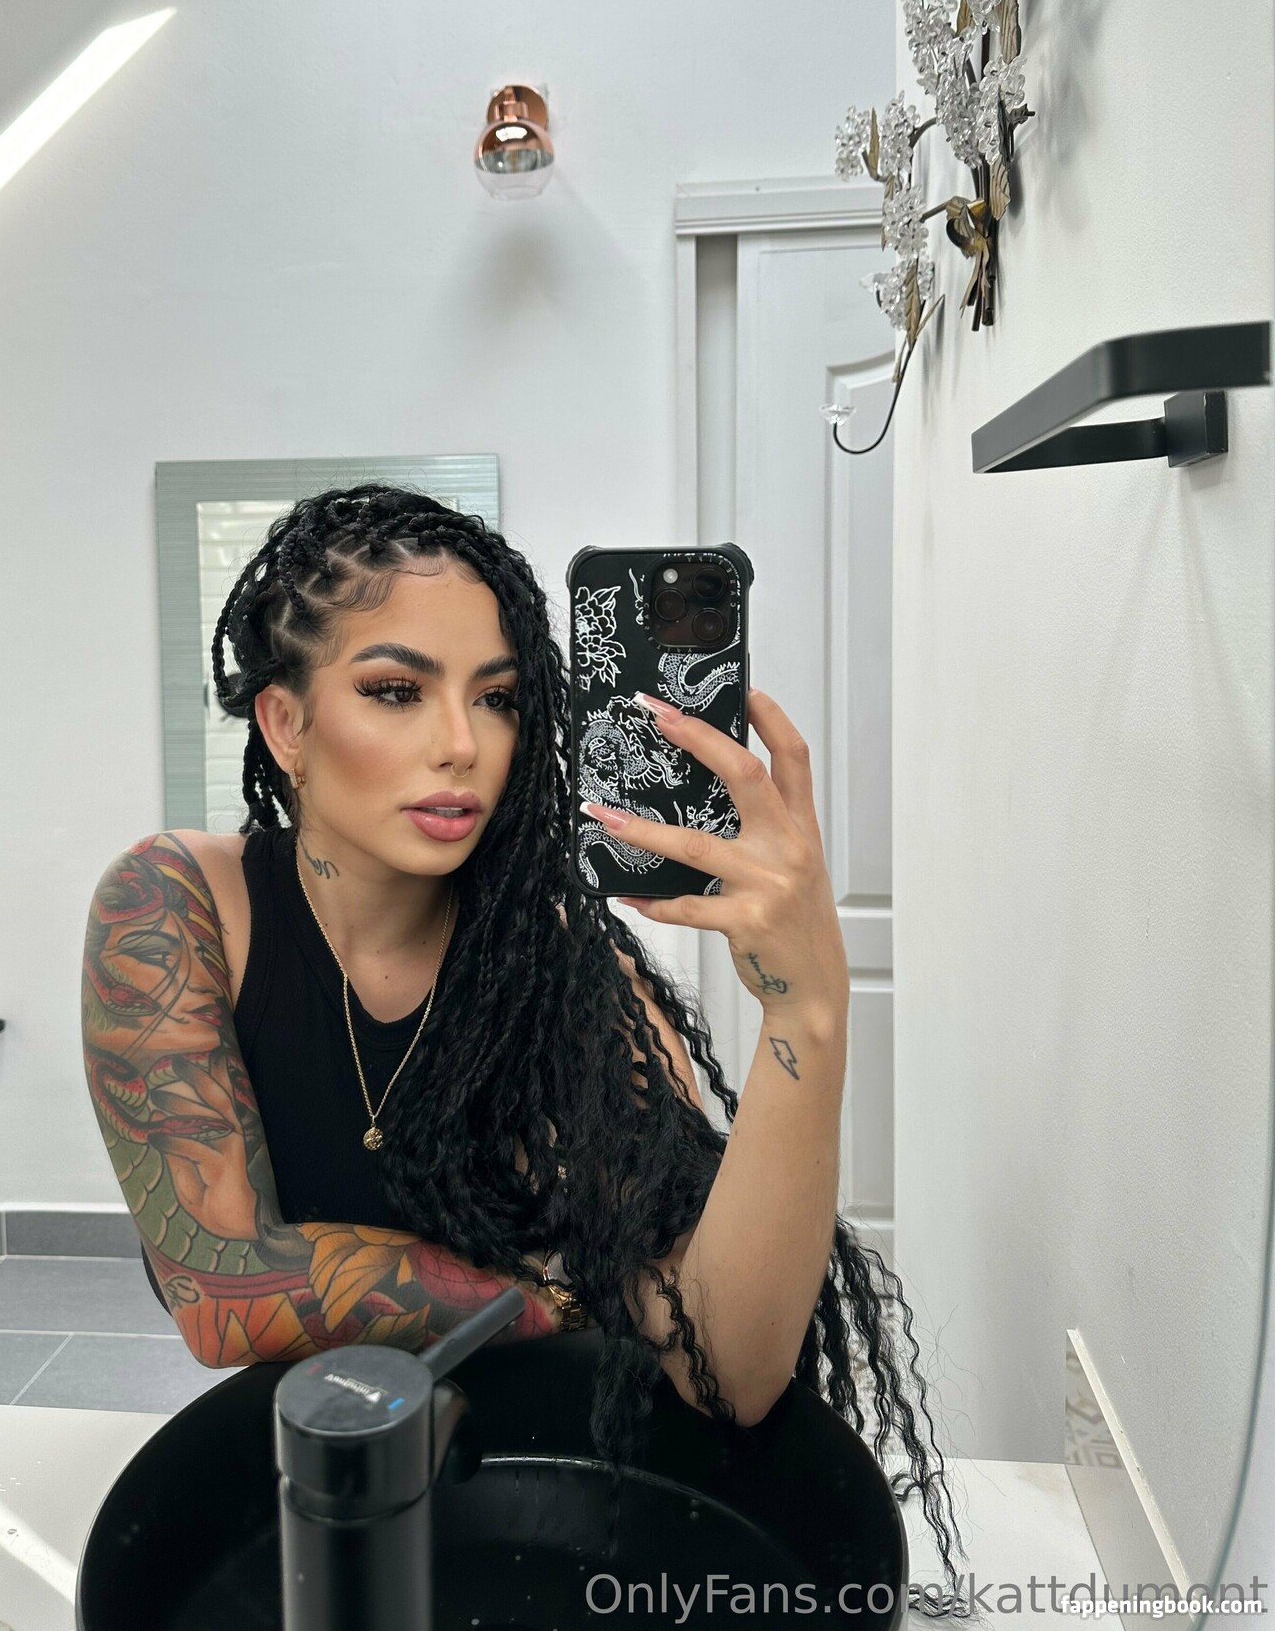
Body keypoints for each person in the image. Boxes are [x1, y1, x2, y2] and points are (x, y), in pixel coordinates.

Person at [81, 483, 969, 1616]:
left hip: (515, 1498)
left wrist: (809, 1017)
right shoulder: (174, 907)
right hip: (295, 1496)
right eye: (396, 691)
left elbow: (727, 1368)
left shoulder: (553, 972)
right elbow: (221, 1290)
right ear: (286, 724)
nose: (461, 745)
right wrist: (553, 1290)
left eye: (498, 699)